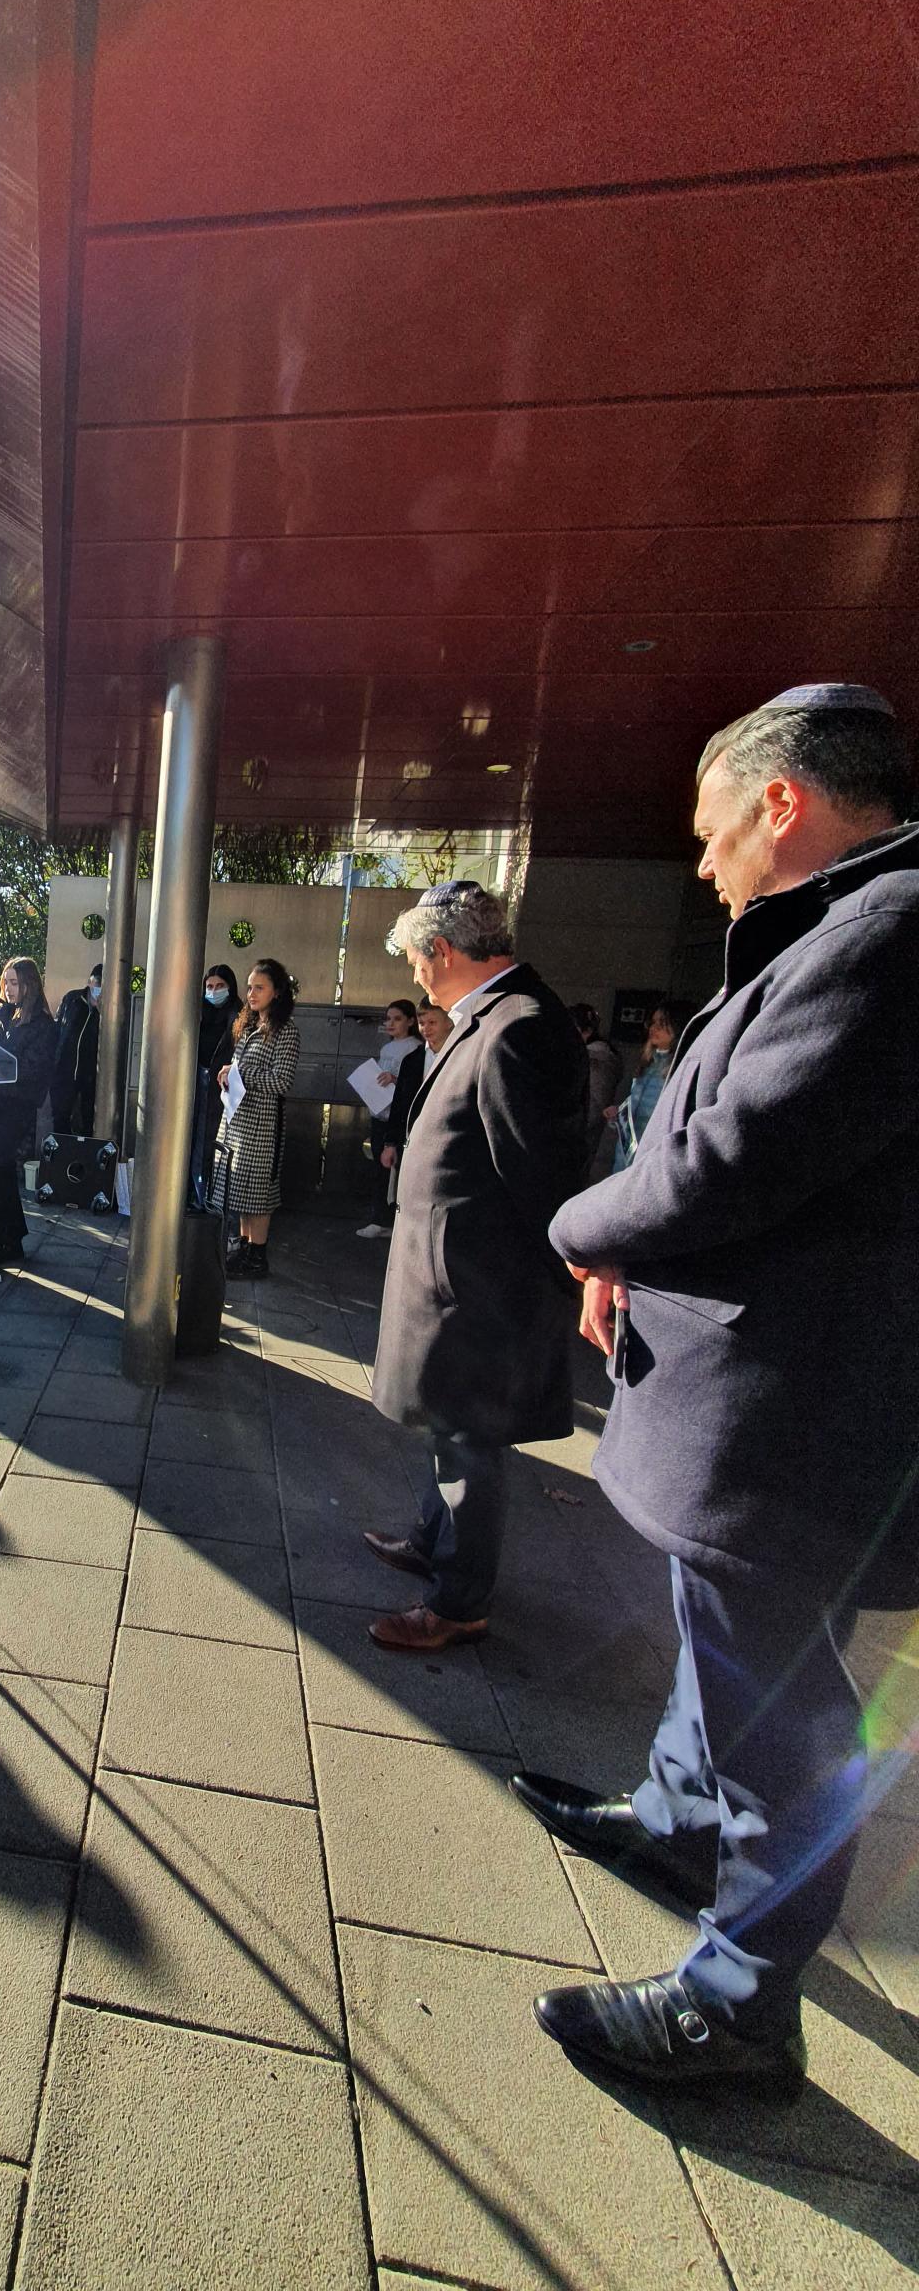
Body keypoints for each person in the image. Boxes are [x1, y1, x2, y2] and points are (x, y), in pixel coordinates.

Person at [525, 682, 918, 2096]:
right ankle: (682, 1820)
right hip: (773, 1391)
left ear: (781, 802)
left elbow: (734, 1157)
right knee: (724, 1640)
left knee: (778, 1707)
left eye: (711, 832)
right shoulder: (855, 921)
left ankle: (741, 2005)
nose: (703, 865)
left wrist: (580, 1227)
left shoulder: (885, 932)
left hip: (794, 1408)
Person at [366, 881, 587, 1652]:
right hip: (457, 1277)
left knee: (469, 1440)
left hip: (481, 1287)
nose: (414, 974)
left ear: (443, 950)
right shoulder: (492, 1015)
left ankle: (459, 1604)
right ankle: (433, 1544)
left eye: (415, 959)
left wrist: (568, 1278)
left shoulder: (518, 1025)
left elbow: (541, 1176)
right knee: (447, 1424)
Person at [211, 958, 300, 1279]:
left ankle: (257, 1258)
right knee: (241, 1194)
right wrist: (228, 1074)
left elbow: (282, 1081)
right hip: (237, 1122)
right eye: (249, 987)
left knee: (258, 1195)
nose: (251, 994)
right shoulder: (248, 1027)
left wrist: (241, 1074)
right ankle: (245, 1251)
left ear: (277, 992)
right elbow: (242, 1070)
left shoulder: (285, 1031)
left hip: (262, 1127)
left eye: (259, 987)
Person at [0, 957, 57, 1270]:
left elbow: (34, 1070)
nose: (8, 988)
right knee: (2, 1171)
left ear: (29, 985)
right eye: (5, 982)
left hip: (17, 1106)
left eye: (15, 983)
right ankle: (13, 1241)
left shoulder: (43, 1026)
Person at [369, 998, 453, 1232]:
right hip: (404, 1127)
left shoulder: (455, 1054)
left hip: (439, 1130)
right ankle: (392, 1224)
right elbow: (400, 1103)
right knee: (398, 1181)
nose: (426, 1028)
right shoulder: (413, 1058)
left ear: (449, 1022)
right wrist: (390, 1142)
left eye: (432, 1022)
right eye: (423, 1022)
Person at [356, 998, 423, 1237]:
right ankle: (381, 1217)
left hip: (398, 1116)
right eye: (388, 1019)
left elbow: (413, 1083)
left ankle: (387, 1218)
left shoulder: (415, 1048)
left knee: (394, 1170)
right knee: (380, 1167)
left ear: (411, 1021)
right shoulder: (387, 1048)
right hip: (380, 1113)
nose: (391, 1023)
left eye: (397, 1019)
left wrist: (395, 1080)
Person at [608, 998, 695, 1172]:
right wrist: (619, 1115)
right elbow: (637, 1105)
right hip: (626, 1154)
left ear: (678, 1028)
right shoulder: (647, 1062)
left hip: (652, 1160)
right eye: (652, 1022)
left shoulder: (682, 1069)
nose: (653, 1028)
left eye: (662, 1024)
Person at [192, 963, 242, 1197]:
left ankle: (207, 1195)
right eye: (209, 986)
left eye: (220, 986)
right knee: (192, 1135)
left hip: (222, 1085)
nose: (213, 991)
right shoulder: (197, 1011)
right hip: (196, 1078)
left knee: (211, 1138)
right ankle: (191, 1193)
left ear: (230, 987)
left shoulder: (239, 1015)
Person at [569, 1003, 622, 1181]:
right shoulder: (580, 1055)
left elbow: (595, 1106)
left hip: (579, 1138)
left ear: (587, 1031)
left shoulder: (598, 1060)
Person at [50, 963, 103, 1135]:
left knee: (88, 1121)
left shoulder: (107, 1009)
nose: (98, 992)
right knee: (60, 1118)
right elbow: (57, 1030)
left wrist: (101, 1011)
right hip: (64, 1071)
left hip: (90, 1076)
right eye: (96, 987)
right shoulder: (72, 999)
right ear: (89, 983)